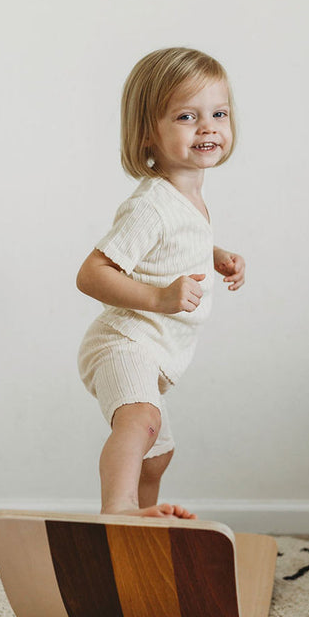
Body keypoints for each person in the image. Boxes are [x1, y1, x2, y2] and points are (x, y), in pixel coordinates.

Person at [76, 47, 245, 518]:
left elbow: (175, 244)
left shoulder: (186, 198)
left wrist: (215, 256)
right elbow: (91, 273)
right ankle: (120, 512)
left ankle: (142, 534)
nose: (207, 127)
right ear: (149, 132)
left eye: (218, 114)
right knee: (141, 420)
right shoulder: (151, 204)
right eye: (187, 116)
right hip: (124, 341)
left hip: (157, 352)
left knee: (158, 455)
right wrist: (160, 297)